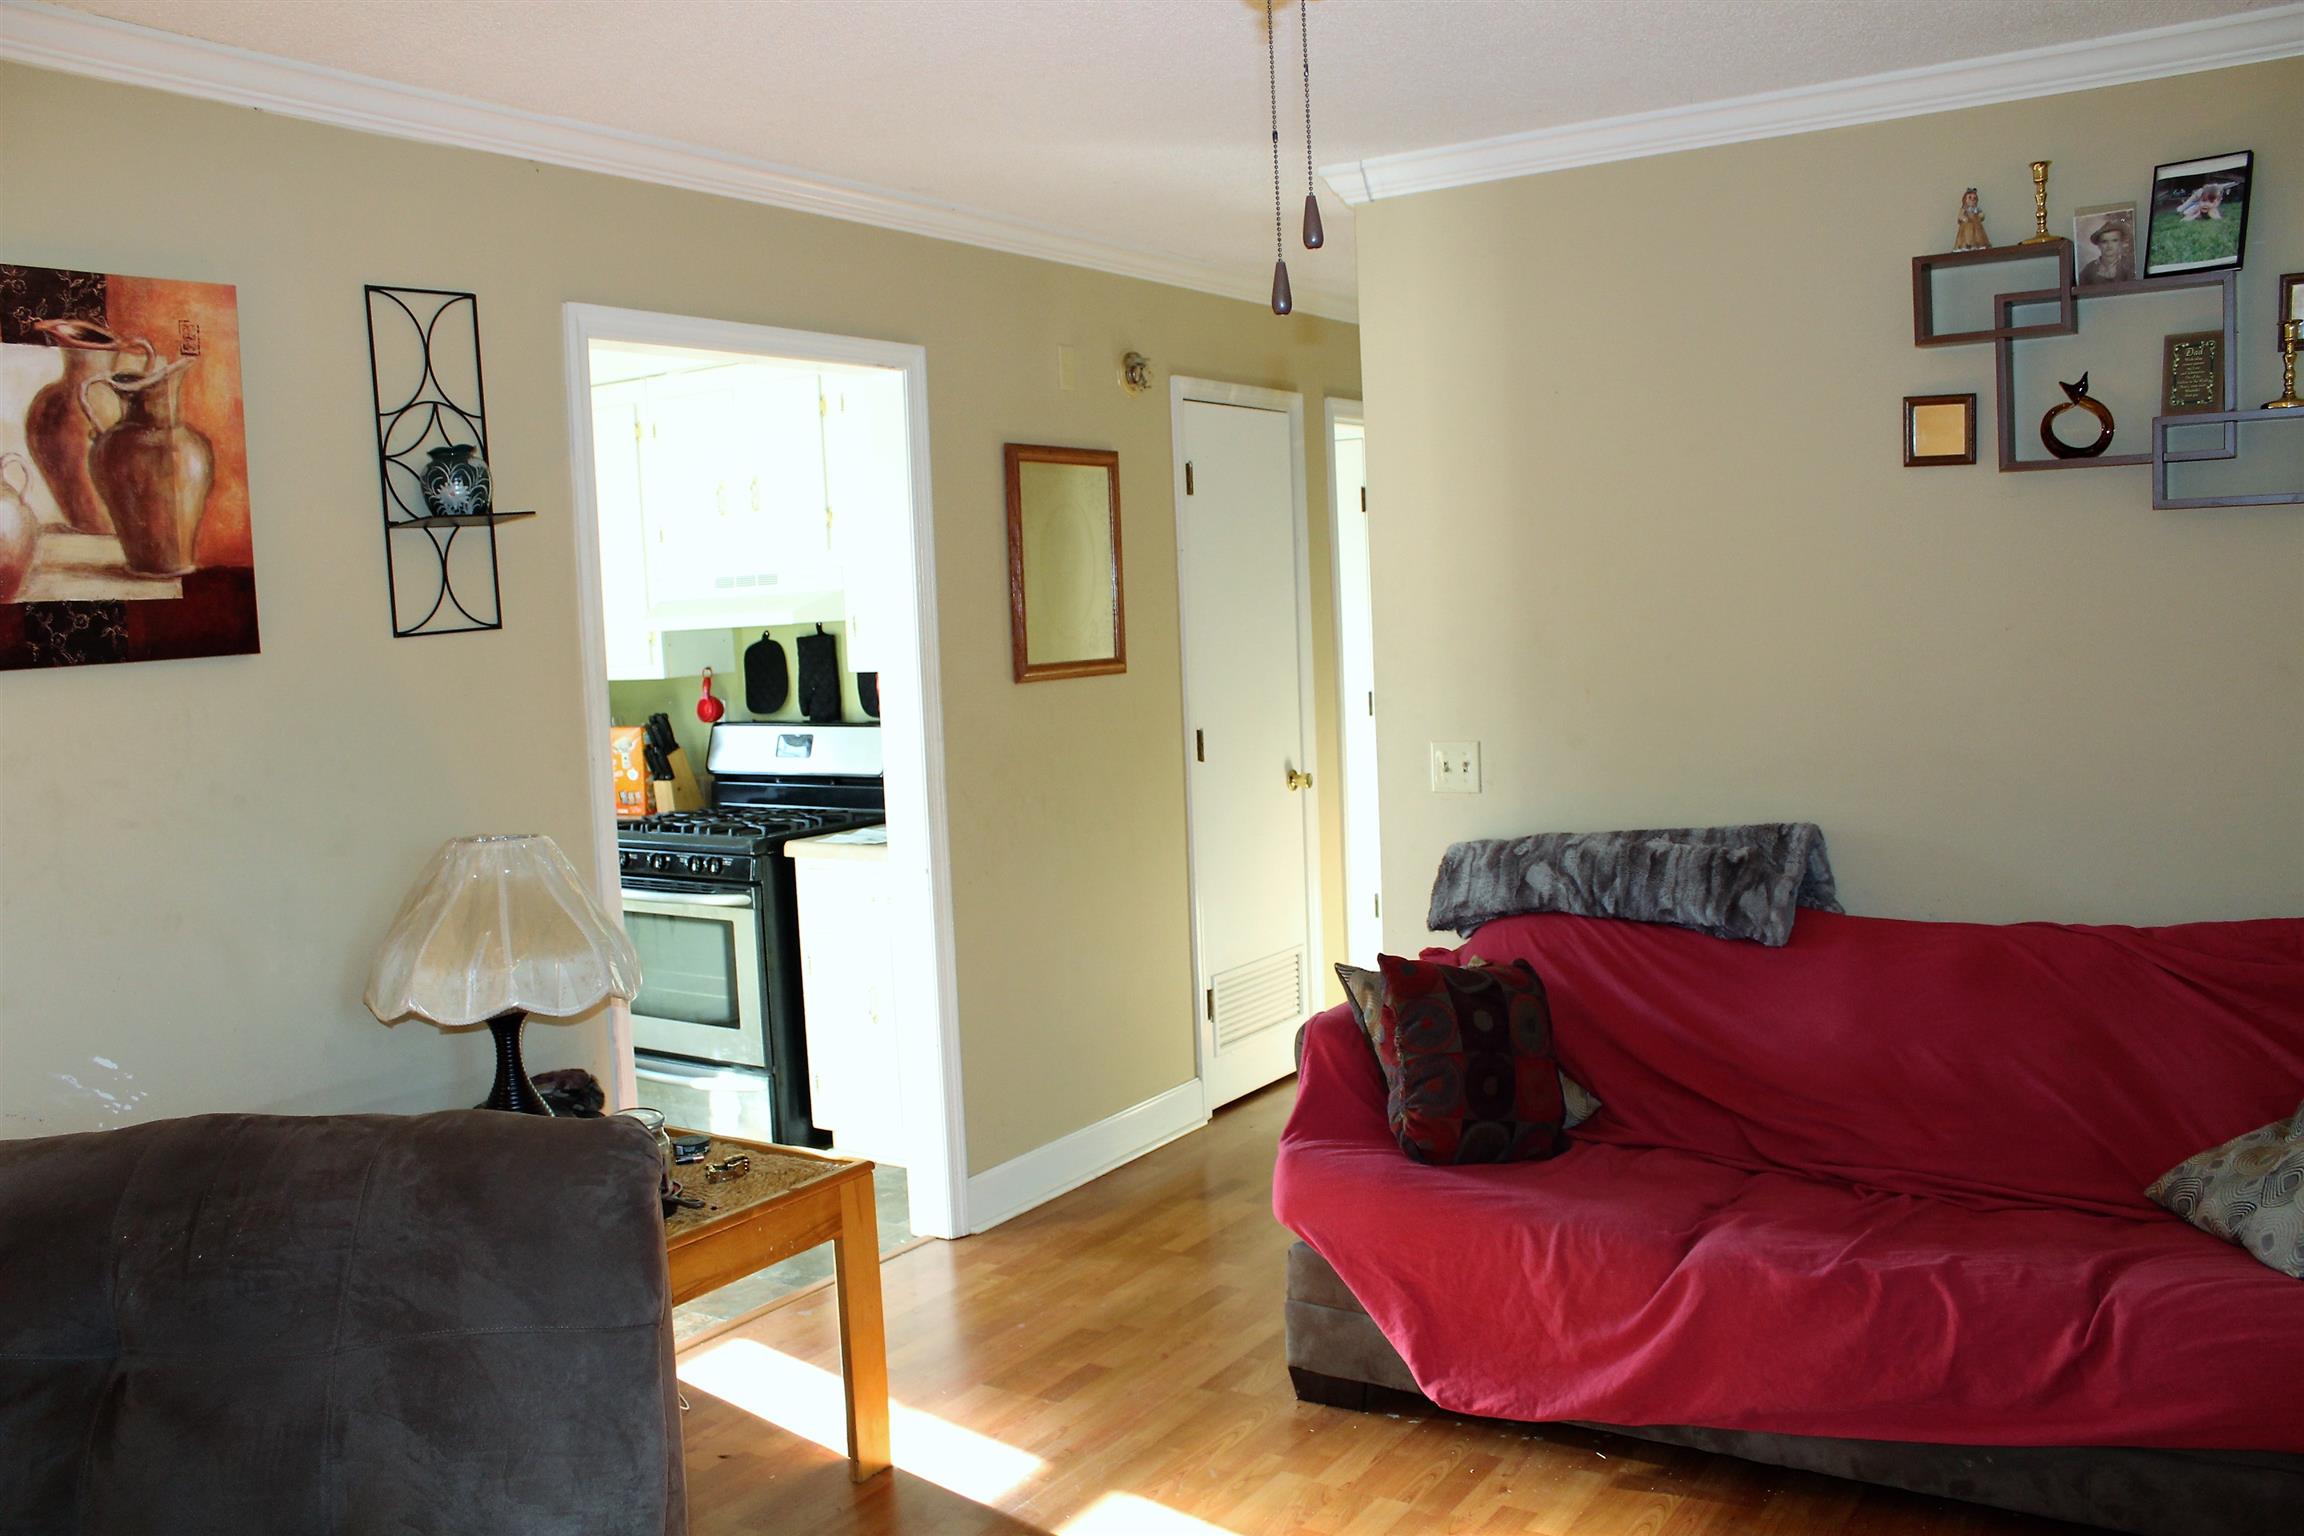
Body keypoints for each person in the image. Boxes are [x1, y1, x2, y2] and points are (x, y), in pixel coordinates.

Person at [2079, 219, 2133, 284]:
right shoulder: (2089, 269)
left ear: (2121, 243)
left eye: (2114, 240)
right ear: (2098, 245)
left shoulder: (2129, 265)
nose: (2109, 246)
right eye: (2104, 242)